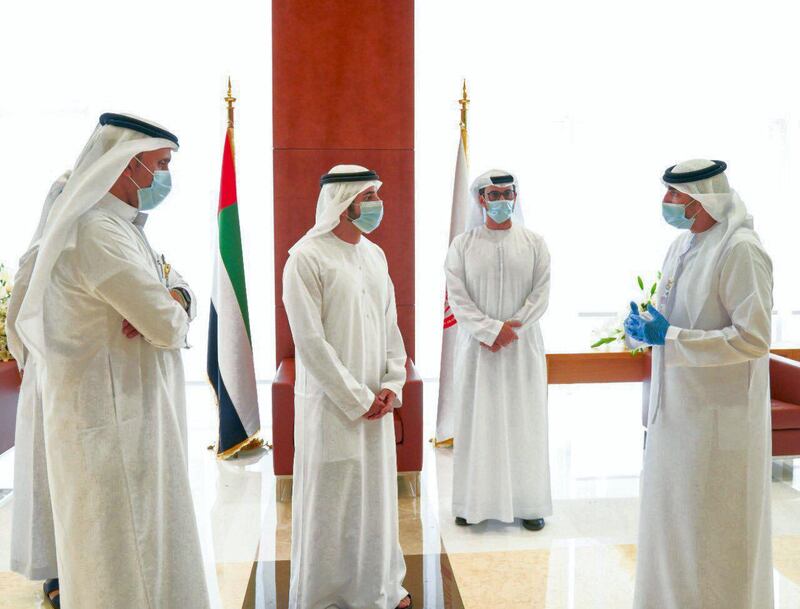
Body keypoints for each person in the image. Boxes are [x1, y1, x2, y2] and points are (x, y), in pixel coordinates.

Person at [14, 113, 210, 609]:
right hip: (110, 426)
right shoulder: (96, 231)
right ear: (128, 164)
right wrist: (166, 307)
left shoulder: (123, 227)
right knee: (121, 560)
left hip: (132, 419)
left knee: (137, 553)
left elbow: (175, 294)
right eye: (161, 164)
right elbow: (164, 324)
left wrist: (172, 300)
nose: (165, 177)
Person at [625, 159, 774, 609]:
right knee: (674, 524)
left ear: (703, 197)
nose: (667, 203)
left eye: (675, 195)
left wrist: (669, 336)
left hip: (718, 421)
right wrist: (643, 327)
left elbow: (753, 338)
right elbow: (673, 319)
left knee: (713, 529)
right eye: (667, 193)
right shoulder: (681, 246)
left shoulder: (740, 249)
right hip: (675, 415)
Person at [282, 165, 411, 609]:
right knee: (332, 505)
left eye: (378, 194)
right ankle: (327, 595)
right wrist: (358, 398)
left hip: (378, 403)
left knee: (374, 500)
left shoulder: (374, 255)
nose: (378, 204)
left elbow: (392, 326)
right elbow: (310, 344)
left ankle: (377, 587)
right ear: (344, 201)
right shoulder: (306, 257)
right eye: (370, 195)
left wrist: (394, 383)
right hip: (334, 408)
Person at [444, 169, 552, 531]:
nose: (503, 201)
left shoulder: (535, 243)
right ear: (480, 199)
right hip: (478, 351)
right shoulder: (462, 245)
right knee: (479, 424)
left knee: (524, 423)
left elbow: (541, 294)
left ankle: (529, 503)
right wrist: (490, 331)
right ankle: (471, 504)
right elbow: (457, 298)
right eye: (495, 194)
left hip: (522, 349)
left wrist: (512, 327)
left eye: (509, 193)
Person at [7, 173, 68, 606]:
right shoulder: (38, 256)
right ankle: (56, 572)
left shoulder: (115, 241)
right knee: (52, 482)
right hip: (51, 384)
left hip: (88, 387)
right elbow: (18, 324)